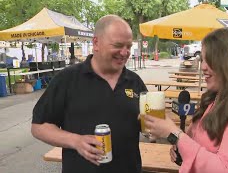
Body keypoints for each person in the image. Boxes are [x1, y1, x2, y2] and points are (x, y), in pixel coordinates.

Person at [144, 28, 228, 173]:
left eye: (210, 60)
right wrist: (180, 147)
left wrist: (175, 134)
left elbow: (225, 169)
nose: (203, 67)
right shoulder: (215, 99)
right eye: (203, 60)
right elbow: (199, 146)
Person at [31, 15, 147, 173]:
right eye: (118, 45)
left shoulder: (135, 82)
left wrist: (152, 130)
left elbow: (147, 126)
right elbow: (39, 126)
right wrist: (75, 141)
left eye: (128, 46)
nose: (125, 52)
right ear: (96, 43)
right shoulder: (67, 79)